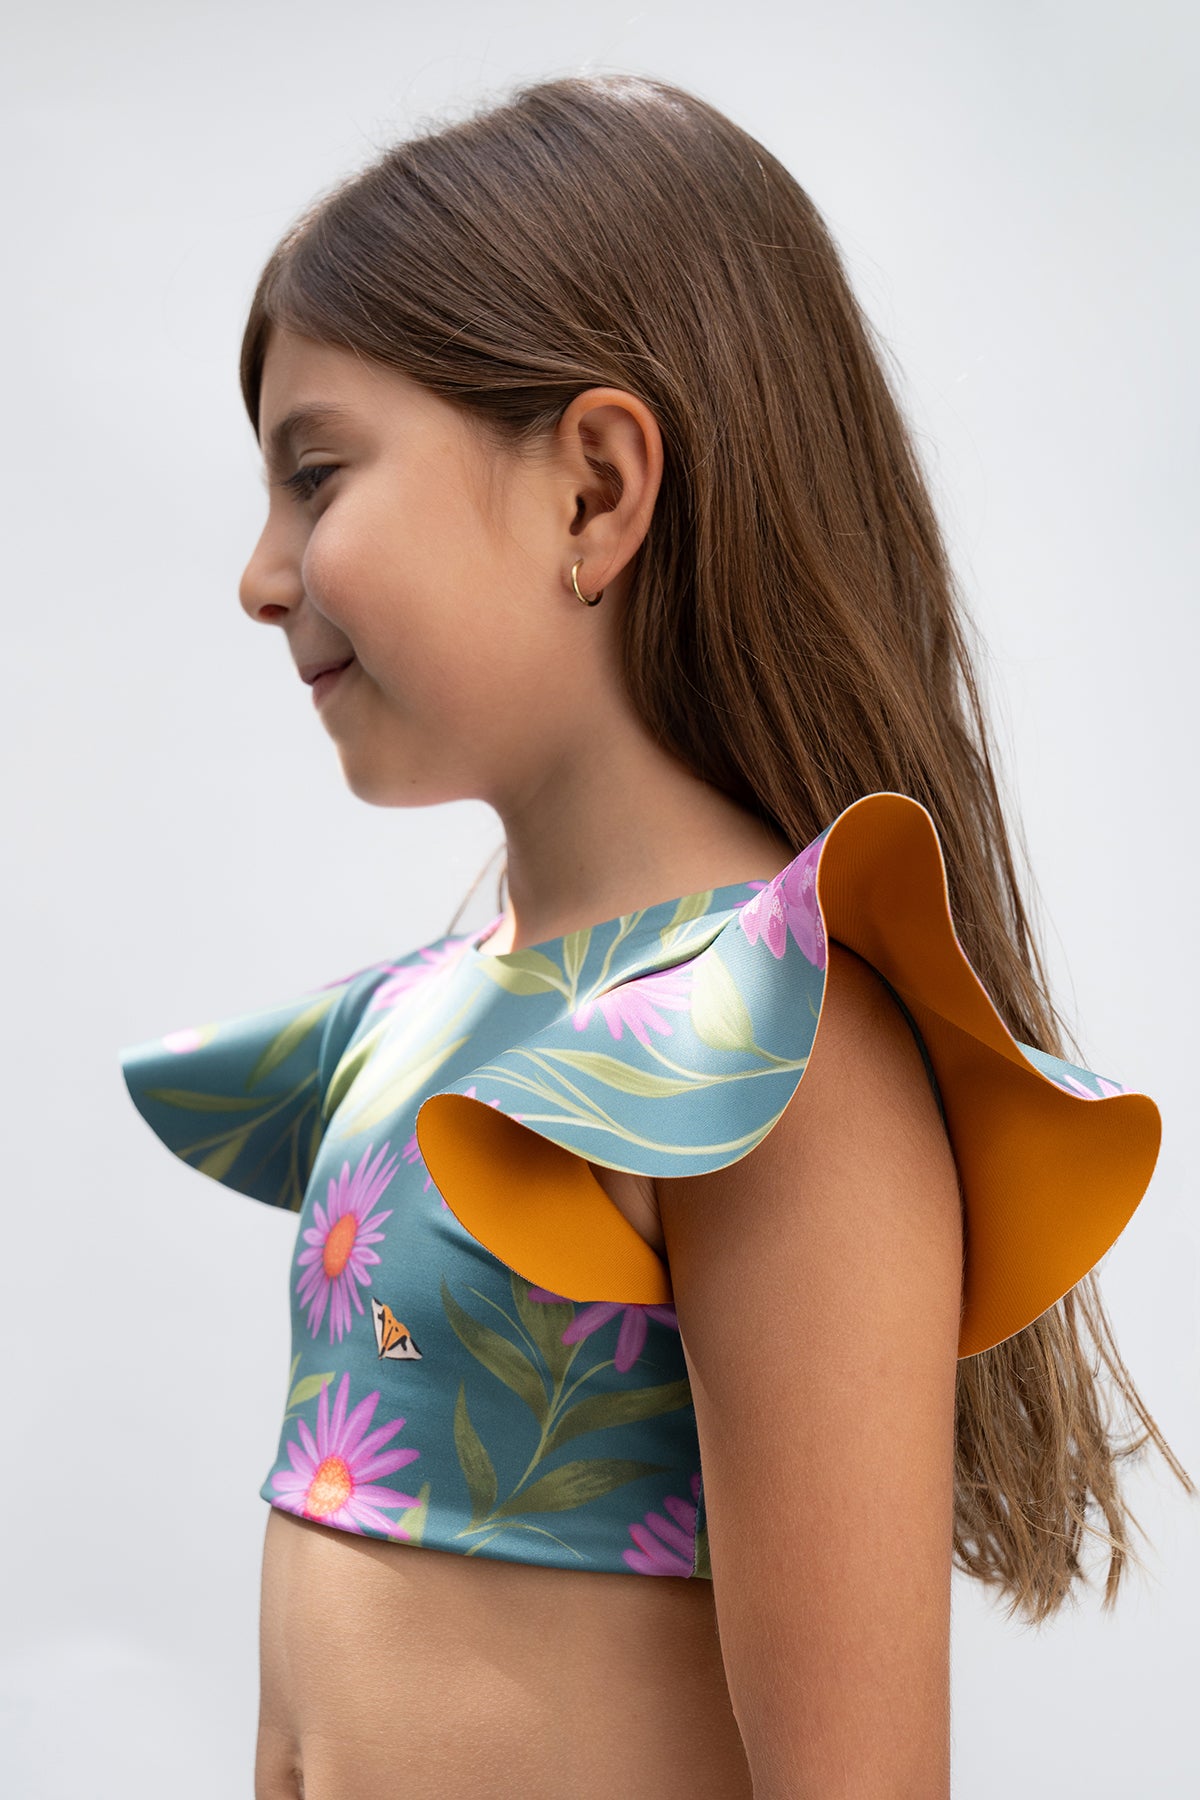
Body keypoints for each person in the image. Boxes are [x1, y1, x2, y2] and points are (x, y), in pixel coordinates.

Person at [118, 72, 1192, 1800]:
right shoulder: (435, 1012)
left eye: (315, 477)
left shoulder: (766, 1051)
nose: (261, 573)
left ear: (594, 493)